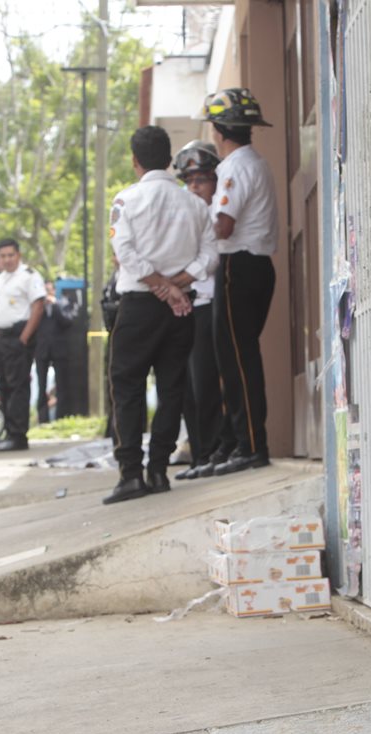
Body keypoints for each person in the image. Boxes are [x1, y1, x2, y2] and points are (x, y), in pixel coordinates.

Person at [104, 125, 217, 504]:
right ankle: (158, 469)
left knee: (127, 386)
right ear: (169, 159)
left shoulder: (125, 201)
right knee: (172, 387)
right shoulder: (196, 205)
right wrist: (175, 286)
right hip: (182, 307)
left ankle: (131, 473)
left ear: (135, 161)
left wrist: (159, 285)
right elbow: (210, 258)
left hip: (139, 306)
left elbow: (126, 256)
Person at [198, 87, 279, 476]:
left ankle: (249, 445)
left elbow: (224, 226)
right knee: (235, 357)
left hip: (238, 267)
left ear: (218, 129)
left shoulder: (233, 167)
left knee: (237, 361)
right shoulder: (254, 163)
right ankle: (236, 443)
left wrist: (195, 226)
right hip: (253, 267)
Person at [171, 140, 235, 480]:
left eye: (202, 180)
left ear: (215, 181)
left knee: (209, 383)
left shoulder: (219, 212)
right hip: (187, 305)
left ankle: (212, 451)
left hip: (211, 303)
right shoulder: (185, 216)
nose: (195, 187)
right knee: (189, 387)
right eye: (189, 181)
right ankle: (199, 453)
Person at [0, 237, 46, 451]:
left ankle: (19, 436)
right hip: (1, 338)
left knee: (17, 385)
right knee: (3, 385)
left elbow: (38, 306)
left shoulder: (29, 276)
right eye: (2, 256)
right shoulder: (1, 278)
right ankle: (10, 432)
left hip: (18, 336)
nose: (7, 259)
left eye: (11, 255)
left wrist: (24, 338)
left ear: (18, 255)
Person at [34, 280, 77, 423]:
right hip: (41, 351)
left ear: (54, 292)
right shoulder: (36, 308)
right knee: (41, 385)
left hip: (59, 350)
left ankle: (61, 417)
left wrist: (55, 305)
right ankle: (43, 418)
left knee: (62, 384)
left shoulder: (62, 304)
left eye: (49, 291)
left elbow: (68, 322)